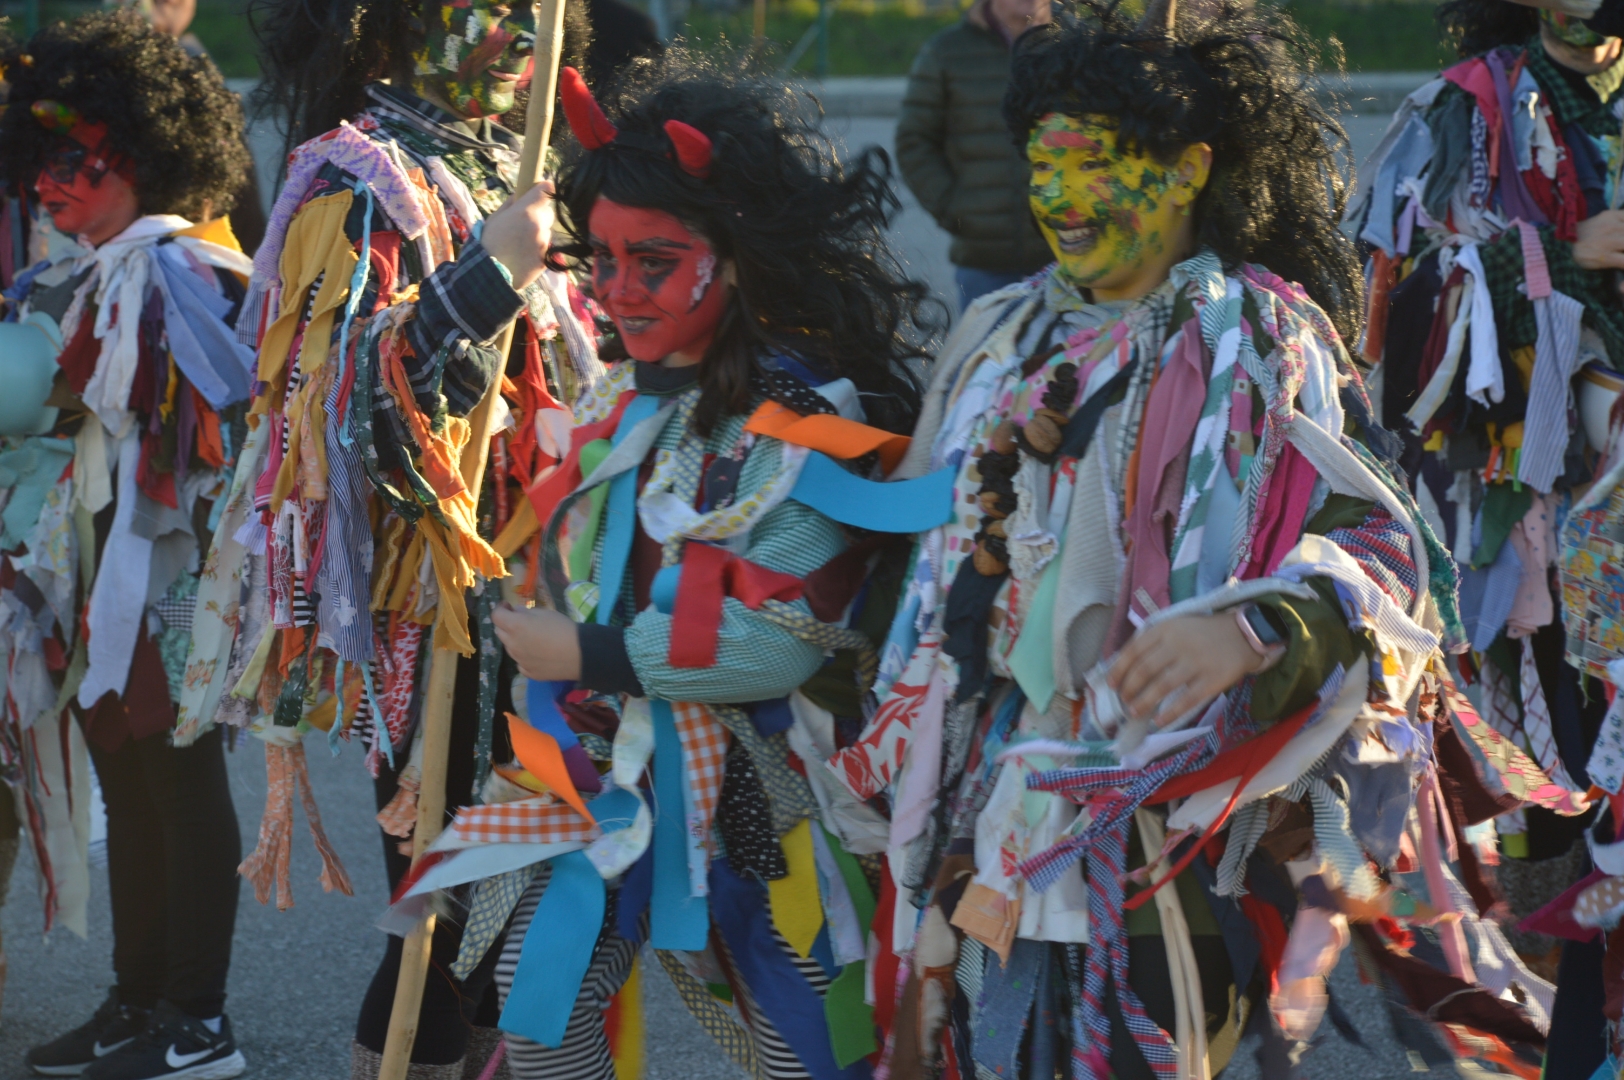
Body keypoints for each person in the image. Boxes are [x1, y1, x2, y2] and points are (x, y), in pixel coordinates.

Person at [837, 0, 1568, 1075]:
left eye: (1091, 163)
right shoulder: (1001, 338)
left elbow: (1383, 549)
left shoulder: (1256, 337)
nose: (1055, 195)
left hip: (1173, 840)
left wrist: (1259, 630)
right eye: (1040, 162)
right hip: (1002, 816)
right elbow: (939, 566)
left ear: (1185, 171)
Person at [413, 53, 942, 1079]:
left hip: (771, 797)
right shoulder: (614, 408)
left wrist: (585, 648)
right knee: (538, 1005)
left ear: (733, 259)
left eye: (652, 262)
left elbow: (776, 650)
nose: (615, 292)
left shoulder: (806, 425)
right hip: (604, 778)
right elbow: (554, 550)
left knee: (811, 1047)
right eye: (600, 261)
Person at [214, 1, 600, 1077]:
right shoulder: (360, 178)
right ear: (387, 28)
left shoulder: (508, 169)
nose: (515, 28)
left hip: (543, 596)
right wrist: (489, 274)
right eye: (478, 6)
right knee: (451, 912)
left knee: (519, 912)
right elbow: (340, 410)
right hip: (437, 604)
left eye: (530, 11)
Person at [1356, 0, 1624, 1071]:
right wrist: (1565, 250)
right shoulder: (1462, 116)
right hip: (1537, 542)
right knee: (1560, 823)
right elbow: (1403, 322)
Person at [0, 12, 256, 1080]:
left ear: (143, 158)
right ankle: (137, 999)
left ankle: (198, 1019)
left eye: (75, 164)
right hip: (101, 557)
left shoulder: (191, 268)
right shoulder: (100, 265)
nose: (49, 190)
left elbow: (231, 401)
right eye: (40, 166)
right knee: (124, 762)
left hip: (177, 562)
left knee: (177, 772)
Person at [895, 0, 1056, 311]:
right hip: (985, 263)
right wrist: (956, 211)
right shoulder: (946, 51)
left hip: (1069, 257)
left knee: (1070, 359)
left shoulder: (1076, 47)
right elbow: (914, 141)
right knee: (986, 358)